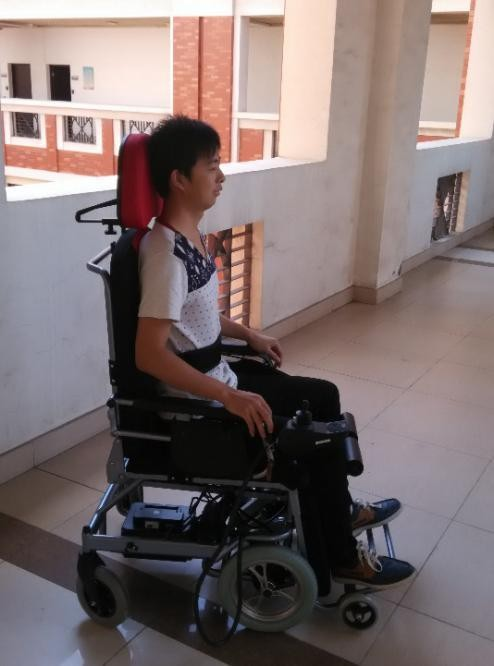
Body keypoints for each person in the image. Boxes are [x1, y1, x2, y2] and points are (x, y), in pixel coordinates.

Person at [135, 114, 415, 596]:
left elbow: (195, 314)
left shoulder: (188, 240)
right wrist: (229, 396)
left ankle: (339, 511)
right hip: (201, 410)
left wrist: (248, 333)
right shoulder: (165, 256)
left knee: (322, 397)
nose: (221, 176)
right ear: (179, 179)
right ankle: (342, 558)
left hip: (220, 379)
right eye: (211, 166)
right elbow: (149, 355)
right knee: (313, 442)